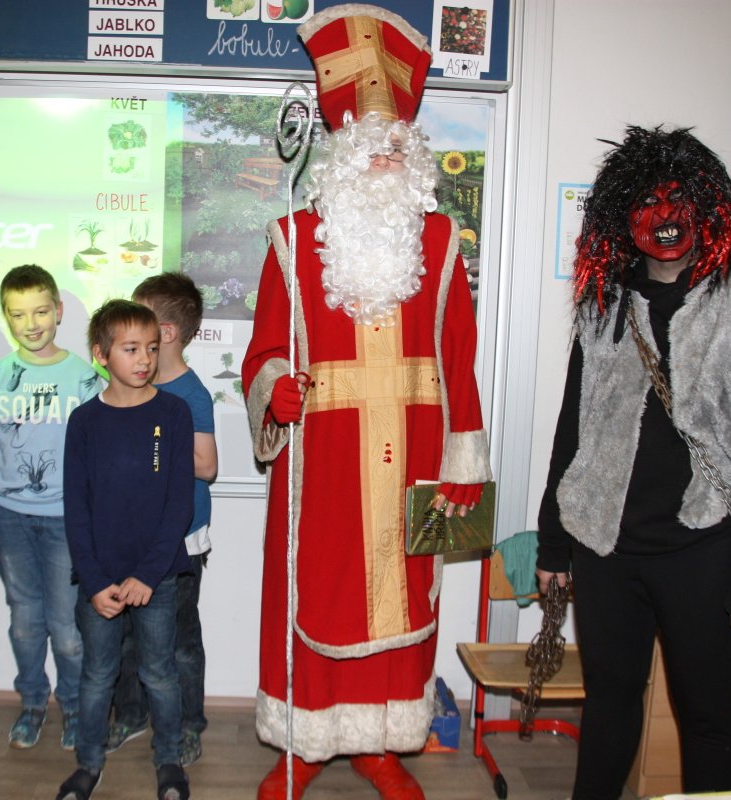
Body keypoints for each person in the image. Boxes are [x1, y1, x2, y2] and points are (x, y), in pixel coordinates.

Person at [242, 6, 491, 798]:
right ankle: (305, 745)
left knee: (405, 600)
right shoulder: (291, 240)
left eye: (396, 148)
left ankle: (381, 744)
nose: (384, 159)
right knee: (316, 595)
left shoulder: (442, 243)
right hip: (321, 468)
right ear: (341, 157)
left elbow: (459, 358)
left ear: (413, 160)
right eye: (370, 147)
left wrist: (465, 465)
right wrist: (275, 390)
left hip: (416, 460)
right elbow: (264, 351)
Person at [536, 126, 731, 799]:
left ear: (706, 206)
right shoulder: (604, 303)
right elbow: (574, 429)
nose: (664, 216)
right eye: (647, 201)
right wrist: (553, 544)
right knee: (608, 706)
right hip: (606, 550)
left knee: (709, 717)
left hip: (705, 551)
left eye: (677, 199)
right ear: (621, 216)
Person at [57, 300, 194, 800]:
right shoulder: (84, 422)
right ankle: (88, 765)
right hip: (100, 581)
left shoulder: (173, 413)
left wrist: (148, 575)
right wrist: (95, 582)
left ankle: (169, 761)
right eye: (131, 349)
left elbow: (178, 505)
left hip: (156, 578)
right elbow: (76, 509)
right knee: (97, 676)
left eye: (152, 349)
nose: (145, 360)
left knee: (160, 673)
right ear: (101, 354)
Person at [0, 264, 101, 750]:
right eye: (19, 314)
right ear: (6, 317)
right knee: (25, 622)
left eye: (41, 311)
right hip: (9, 521)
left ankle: (74, 707)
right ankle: (31, 703)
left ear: (58, 312)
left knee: (66, 627)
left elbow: (99, 461)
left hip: (67, 521)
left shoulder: (86, 379)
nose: (31, 323)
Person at [108, 273, 217, 767]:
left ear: (166, 333)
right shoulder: (131, 386)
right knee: (128, 637)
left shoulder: (190, 395)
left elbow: (207, 466)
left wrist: (152, 438)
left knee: (178, 643)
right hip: (133, 537)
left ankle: (190, 726)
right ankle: (131, 715)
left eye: (142, 318)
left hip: (181, 542)